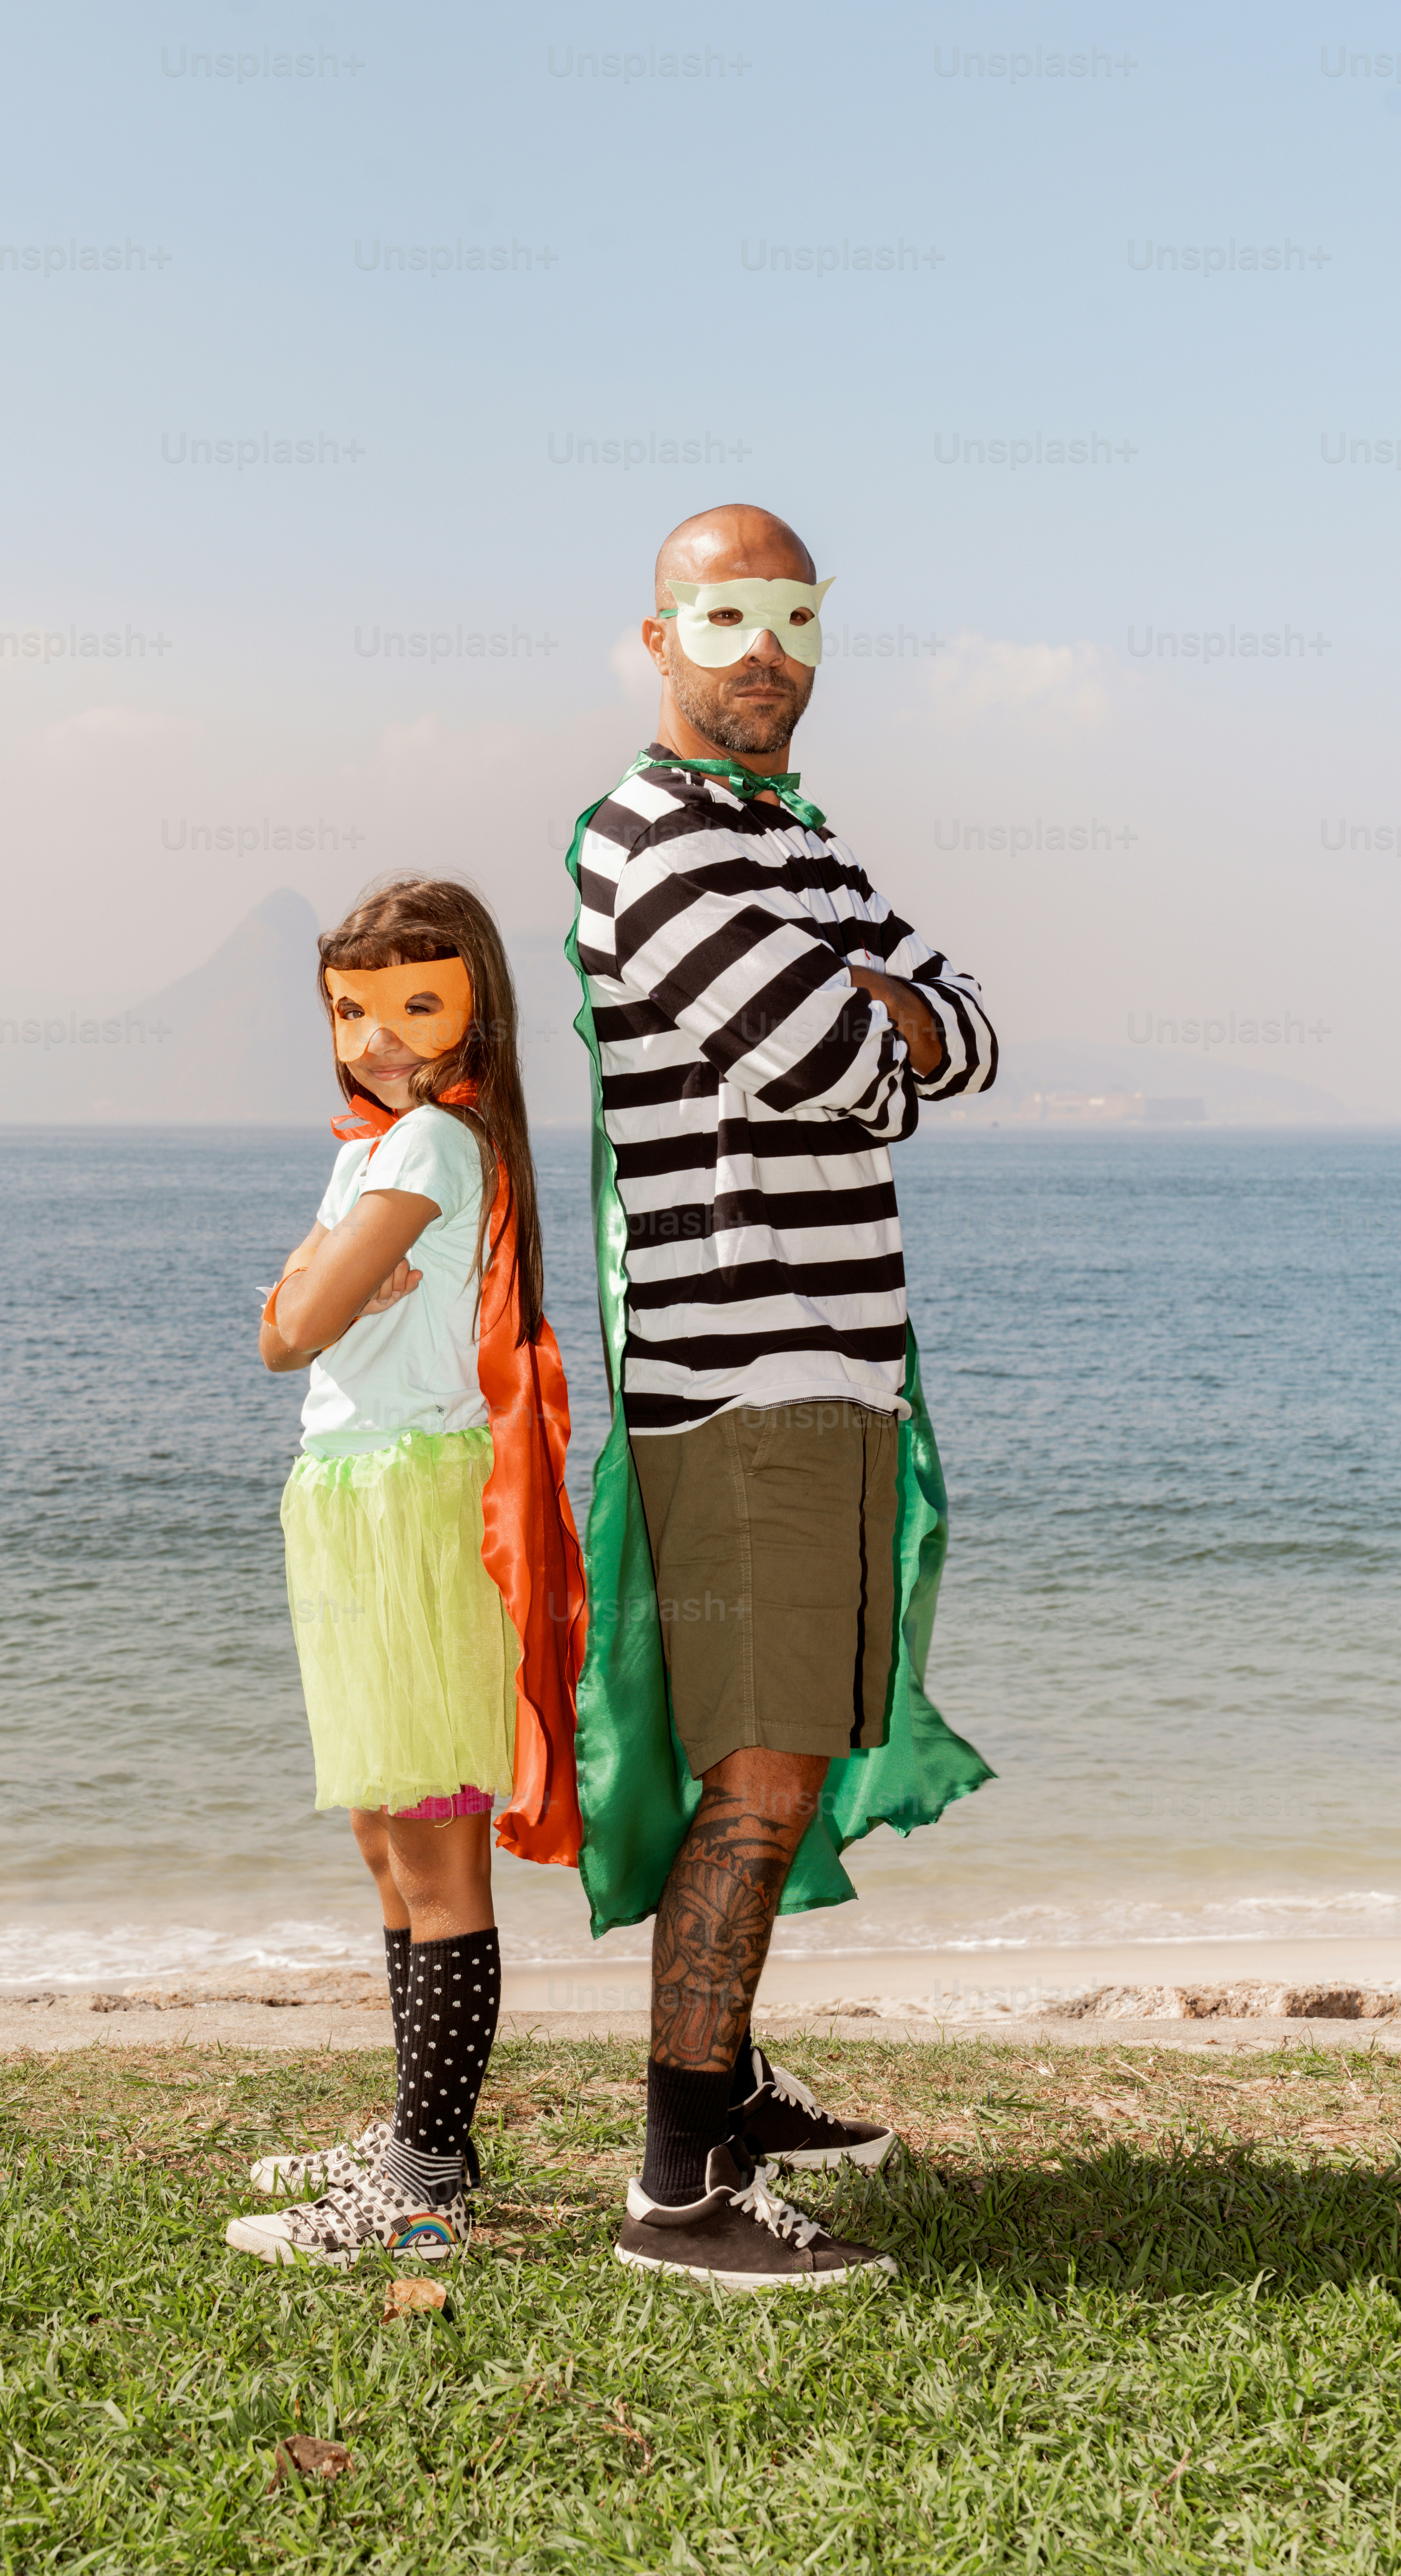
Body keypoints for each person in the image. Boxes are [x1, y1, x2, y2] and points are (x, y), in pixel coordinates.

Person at [562, 504, 998, 2289]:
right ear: (655, 635)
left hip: (832, 1365)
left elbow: (970, 1025)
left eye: (792, 615)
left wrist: (878, 1021)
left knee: (789, 1744)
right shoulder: (642, 838)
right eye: (723, 612)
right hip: (741, 1374)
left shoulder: (795, 839)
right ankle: (677, 2187)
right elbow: (840, 1053)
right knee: (757, 1767)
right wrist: (874, 1024)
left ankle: (725, 2093)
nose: (763, 648)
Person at [226, 877, 583, 2268]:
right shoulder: (383, 1146)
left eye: (414, 1007)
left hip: (415, 1499)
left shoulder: (430, 1143)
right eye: (351, 1011)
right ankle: (414, 2129)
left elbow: (288, 1324)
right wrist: (307, 1286)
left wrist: (308, 1281)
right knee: (387, 1833)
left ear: (474, 1008)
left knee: (434, 1849)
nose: (378, 1037)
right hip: (355, 1491)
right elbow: (292, 1325)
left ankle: (423, 2185)